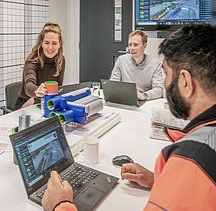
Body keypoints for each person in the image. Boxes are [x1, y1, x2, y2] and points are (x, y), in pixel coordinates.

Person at [42, 24, 216, 211]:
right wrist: (159, 179)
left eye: (167, 75)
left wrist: (61, 205)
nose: (166, 84)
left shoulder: (193, 160)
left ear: (185, 82)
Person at [15, 22, 65, 109]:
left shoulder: (61, 60)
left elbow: (58, 87)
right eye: (46, 43)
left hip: (47, 101)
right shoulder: (32, 61)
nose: (50, 47)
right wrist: (37, 91)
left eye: (54, 43)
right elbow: (28, 86)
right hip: (27, 102)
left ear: (59, 44)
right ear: (41, 43)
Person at [110, 30, 163, 101]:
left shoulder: (155, 64)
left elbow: (159, 90)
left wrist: (144, 95)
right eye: (130, 45)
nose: (131, 48)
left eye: (135, 45)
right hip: (124, 99)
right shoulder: (121, 60)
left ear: (145, 46)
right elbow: (113, 83)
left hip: (144, 101)